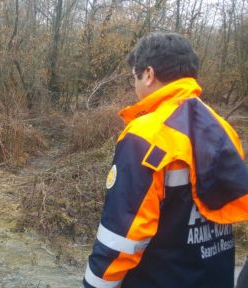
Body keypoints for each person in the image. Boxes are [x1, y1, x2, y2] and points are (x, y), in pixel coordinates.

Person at [83, 32, 248, 287]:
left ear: (148, 74)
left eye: (134, 78)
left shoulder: (146, 134)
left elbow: (123, 235)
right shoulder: (224, 129)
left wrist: (93, 284)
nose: (134, 87)